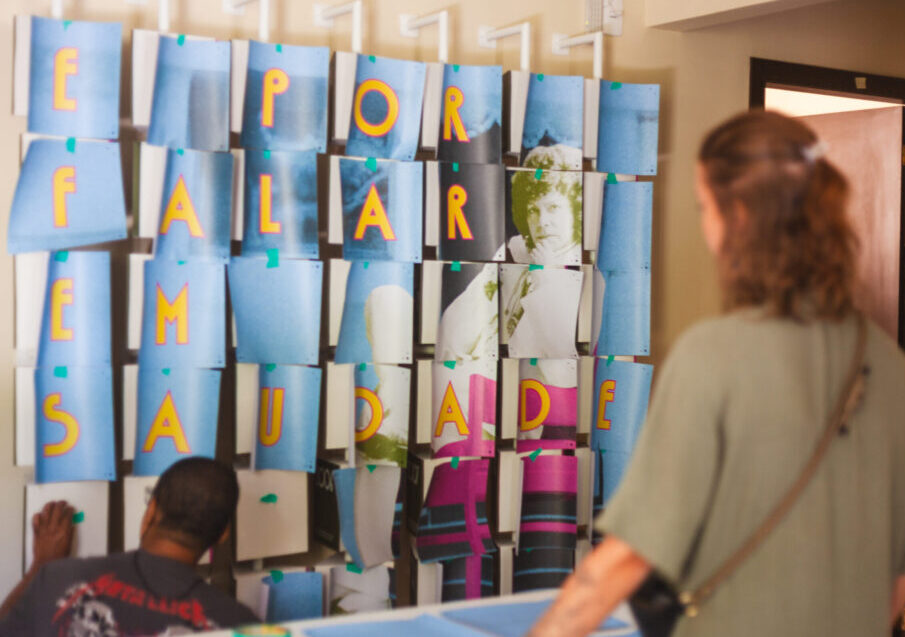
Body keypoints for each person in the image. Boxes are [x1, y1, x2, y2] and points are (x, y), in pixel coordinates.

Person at [530, 110, 905, 637]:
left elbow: (626, 559)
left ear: (741, 217)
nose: (706, 230)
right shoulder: (888, 362)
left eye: (705, 208)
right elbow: (894, 584)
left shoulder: (712, 355)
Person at [0, 458, 259, 635]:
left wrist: (41, 566)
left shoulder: (58, 578)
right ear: (222, 535)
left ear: (151, 512)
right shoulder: (240, 624)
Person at [509, 145, 583, 266]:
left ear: (576, 212)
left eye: (553, 208)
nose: (542, 222)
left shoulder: (585, 256)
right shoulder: (515, 249)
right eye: (533, 211)